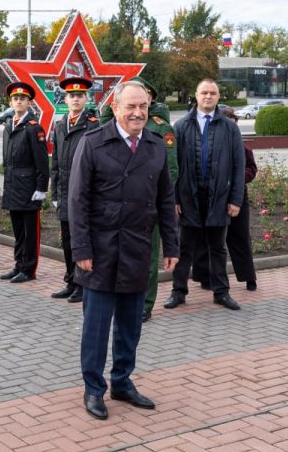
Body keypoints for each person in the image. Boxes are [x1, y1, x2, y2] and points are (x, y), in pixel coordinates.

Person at [68, 81, 179, 420]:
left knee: (131, 324)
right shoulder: (93, 143)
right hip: (99, 253)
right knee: (97, 328)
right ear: (114, 108)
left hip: (137, 249)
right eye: (130, 106)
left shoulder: (156, 145)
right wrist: (81, 249)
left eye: (143, 106)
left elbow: (165, 199)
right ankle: (93, 388)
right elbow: (77, 200)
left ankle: (122, 381)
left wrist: (172, 245)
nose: (137, 113)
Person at [100, 78, 180, 322]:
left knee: (148, 257)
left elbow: (171, 170)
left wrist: (155, 202)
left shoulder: (160, 128)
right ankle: (121, 299)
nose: (136, 111)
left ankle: (145, 304)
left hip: (148, 207)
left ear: (150, 100)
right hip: (120, 207)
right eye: (129, 103)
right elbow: (104, 122)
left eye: (142, 101)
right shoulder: (116, 124)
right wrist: (112, 101)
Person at [164, 78, 246, 312]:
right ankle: (178, 292)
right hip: (188, 197)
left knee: (218, 247)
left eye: (213, 93)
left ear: (219, 97)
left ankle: (221, 292)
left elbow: (238, 166)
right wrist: (175, 199)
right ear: (196, 96)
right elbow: (172, 166)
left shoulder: (230, 128)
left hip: (219, 198)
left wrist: (235, 199)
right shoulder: (180, 126)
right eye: (204, 92)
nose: (208, 96)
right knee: (183, 248)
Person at [192, 107, 258, 292]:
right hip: (212, 196)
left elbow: (251, 169)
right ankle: (204, 276)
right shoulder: (208, 145)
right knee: (206, 236)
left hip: (237, 196)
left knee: (240, 236)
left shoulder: (243, 148)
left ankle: (248, 277)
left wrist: (234, 179)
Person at [50, 76, 100, 303]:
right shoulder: (60, 124)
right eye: (72, 96)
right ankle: (70, 280)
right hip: (64, 191)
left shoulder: (92, 124)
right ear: (66, 99)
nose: (76, 99)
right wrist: (53, 193)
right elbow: (56, 164)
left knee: (82, 240)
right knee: (67, 239)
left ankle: (83, 284)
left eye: (80, 96)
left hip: (83, 193)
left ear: (86, 98)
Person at [0, 82, 49, 283]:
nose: (18, 101)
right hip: (13, 187)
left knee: (30, 233)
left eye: (22, 99)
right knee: (18, 231)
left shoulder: (33, 128)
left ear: (29, 103)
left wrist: (41, 188)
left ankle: (29, 269)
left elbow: (42, 162)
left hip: (28, 188)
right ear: (10, 102)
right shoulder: (8, 126)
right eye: (15, 99)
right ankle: (19, 264)